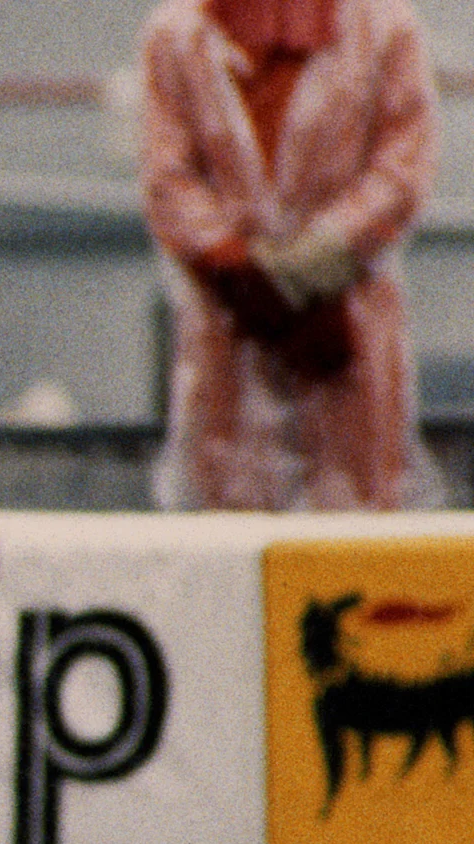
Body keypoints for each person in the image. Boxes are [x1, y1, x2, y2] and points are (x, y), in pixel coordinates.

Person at [140, 0, 437, 510]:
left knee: (357, 520)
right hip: (227, 318)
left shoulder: (384, 26)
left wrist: (304, 272)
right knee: (228, 522)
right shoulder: (176, 34)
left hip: (347, 318)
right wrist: (240, 274)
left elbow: (402, 167)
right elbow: (167, 178)